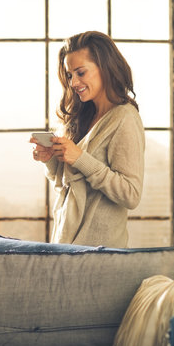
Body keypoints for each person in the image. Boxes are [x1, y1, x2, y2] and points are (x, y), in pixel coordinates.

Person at [30, 31, 145, 247]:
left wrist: (80, 158)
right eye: (70, 75)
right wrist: (50, 160)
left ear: (106, 68)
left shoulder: (125, 118)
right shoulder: (82, 115)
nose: (73, 82)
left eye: (80, 73)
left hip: (98, 254)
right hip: (66, 246)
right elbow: (67, 186)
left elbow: (131, 194)